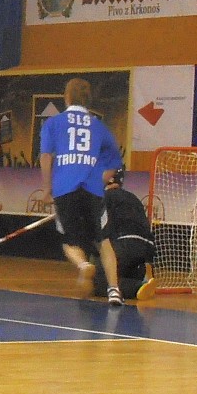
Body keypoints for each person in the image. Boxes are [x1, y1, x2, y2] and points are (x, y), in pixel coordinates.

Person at [39, 77, 121, 296]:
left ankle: (83, 265)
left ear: (66, 97)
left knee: (69, 242)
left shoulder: (53, 123)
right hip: (93, 190)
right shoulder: (99, 126)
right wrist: (98, 180)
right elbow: (114, 164)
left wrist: (47, 189)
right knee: (103, 241)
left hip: (65, 189)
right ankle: (114, 290)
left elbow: (46, 156)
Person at [96, 168, 156, 305]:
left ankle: (137, 287)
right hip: (147, 248)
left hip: (124, 244)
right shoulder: (132, 197)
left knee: (101, 280)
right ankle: (141, 275)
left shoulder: (103, 198)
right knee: (122, 270)